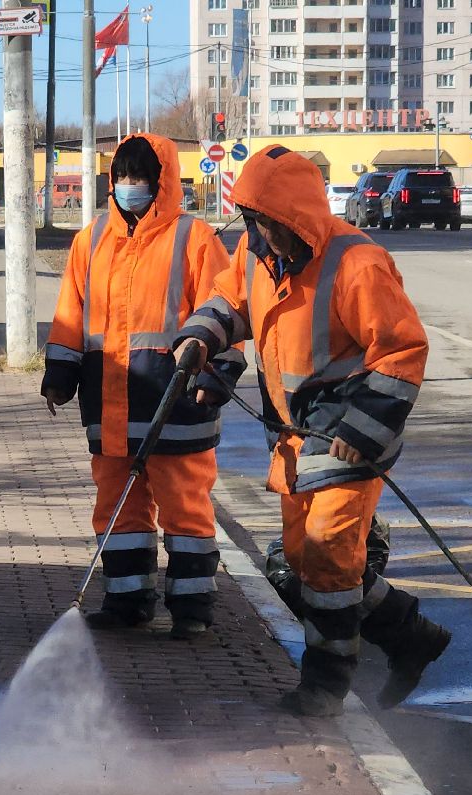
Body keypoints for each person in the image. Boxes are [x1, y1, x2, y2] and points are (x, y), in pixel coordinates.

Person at [172, 144, 451, 716]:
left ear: (292, 218)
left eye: (267, 223)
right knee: (303, 562)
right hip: (297, 437)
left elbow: (401, 350)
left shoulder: (357, 263)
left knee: (327, 558)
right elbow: (230, 300)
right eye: (253, 222)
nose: (259, 234)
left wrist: (364, 428)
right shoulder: (258, 252)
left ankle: (324, 687)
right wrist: (203, 336)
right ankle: (410, 635)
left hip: (350, 434)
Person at [42, 133, 238, 639]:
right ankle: (127, 601)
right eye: (122, 177)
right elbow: (71, 314)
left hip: (177, 399)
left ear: (162, 182)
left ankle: (192, 609)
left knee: (184, 506)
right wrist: (59, 374)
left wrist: (217, 375)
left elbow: (228, 311)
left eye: (141, 179)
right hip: (109, 403)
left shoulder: (193, 238)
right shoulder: (91, 240)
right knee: (117, 504)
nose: (130, 187)